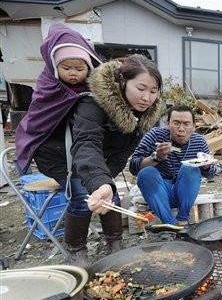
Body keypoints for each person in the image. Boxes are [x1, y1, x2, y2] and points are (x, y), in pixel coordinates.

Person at [34, 53, 162, 267]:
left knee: (108, 193)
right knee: (82, 195)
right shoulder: (92, 103)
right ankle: (76, 251)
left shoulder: (145, 112)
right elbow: (86, 143)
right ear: (123, 82)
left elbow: (123, 153)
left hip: (95, 157)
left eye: (153, 91)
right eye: (141, 89)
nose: (146, 98)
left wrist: (105, 181)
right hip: (61, 155)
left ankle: (115, 244)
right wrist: (98, 180)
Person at [15, 23, 102, 174]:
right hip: (54, 152)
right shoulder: (48, 86)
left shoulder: (95, 88)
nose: (73, 73)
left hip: (83, 151)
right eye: (66, 68)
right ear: (54, 66)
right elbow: (38, 116)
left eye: (79, 69)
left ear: (89, 68)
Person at [129, 105, 217, 226]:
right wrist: (156, 157)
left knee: (190, 168)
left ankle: (182, 220)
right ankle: (169, 224)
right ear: (167, 123)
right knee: (146, 173)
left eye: (186, 124)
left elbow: (212, 174)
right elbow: (133, 166)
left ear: (194, 127)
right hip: (159, 193)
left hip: (185, 194)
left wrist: (206, 166)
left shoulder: (199, 141)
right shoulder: (156, 135)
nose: (181, 129)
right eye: (176, 123)